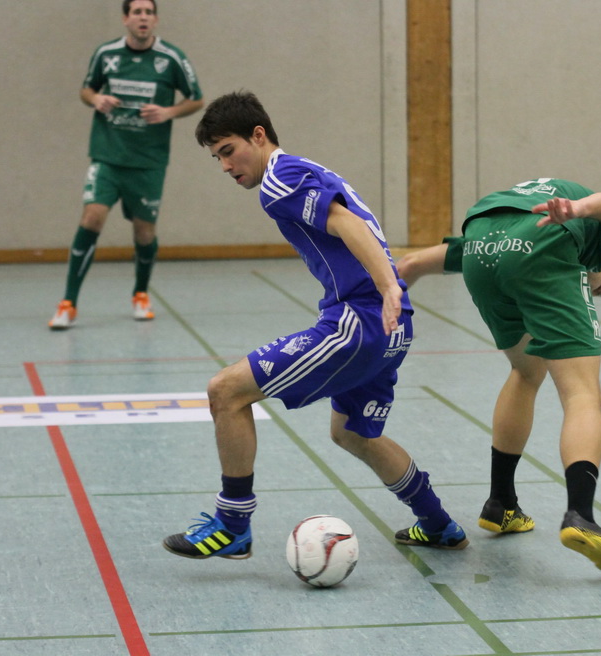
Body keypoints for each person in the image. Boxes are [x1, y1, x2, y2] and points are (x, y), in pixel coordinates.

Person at [162, 90, 468, 560]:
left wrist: (388, 285)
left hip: (360, 320)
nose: (224, 166)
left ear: (258, 136)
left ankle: (232, 525)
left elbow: (348, 224)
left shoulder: (280, 179)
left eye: (228, 151)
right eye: (216, 158)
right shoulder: (304, 170)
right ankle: (438, 523)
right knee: (352, 434)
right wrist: (392, 293)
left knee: (226, 392)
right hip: (393, 325)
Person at [397, 178, 601, 576]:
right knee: (582, 394)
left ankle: (502, 503)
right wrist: (580, 210)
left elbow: (410, 264)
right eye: (594, 285)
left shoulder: (520, 211)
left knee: (526, 370)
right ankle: (581, 515)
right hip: (545, 244)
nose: (588, 288)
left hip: (482, 242)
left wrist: (372, 305)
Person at [49, 0, 203, 329]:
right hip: (108, 155)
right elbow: (86, 89)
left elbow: (196, 99)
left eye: (148, 12)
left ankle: (140, 293)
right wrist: (96, 98)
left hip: (148, 161)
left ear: (155, 20)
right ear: (125, 19)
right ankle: (68, 302)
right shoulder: (106, 54)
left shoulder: (171, 58)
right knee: (92, 217)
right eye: (137, 12)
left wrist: (168, 112)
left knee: (144, 232)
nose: (143, 18)